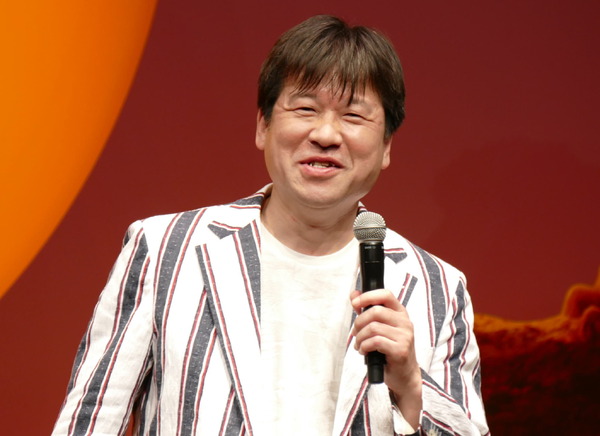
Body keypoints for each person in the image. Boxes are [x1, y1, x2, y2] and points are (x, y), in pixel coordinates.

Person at [52, 15, 489, 435]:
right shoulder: (165, 250)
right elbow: (91, 419)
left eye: (354, 116)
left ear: (387, 145)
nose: (326, 134)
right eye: (305, 108)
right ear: (263, 125)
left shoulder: (437, 288)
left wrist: (411, 386)